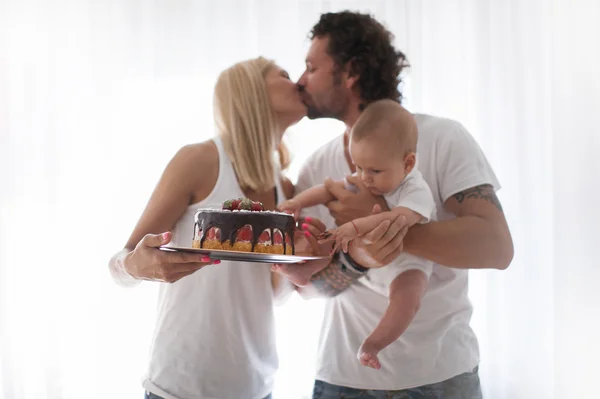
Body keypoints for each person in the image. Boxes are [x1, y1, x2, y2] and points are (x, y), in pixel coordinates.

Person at [274, 11, 514, 398]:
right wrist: (336, 259)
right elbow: (313, 290)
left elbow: (497, 247)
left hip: (441, 378)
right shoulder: (318, 165)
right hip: (342, 378)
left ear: (350, 72)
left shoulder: (441, 138)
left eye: (311, 67)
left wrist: (387, 226)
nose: (301, 80)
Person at [107, 56, 308, 399]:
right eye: (285, 75)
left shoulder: (286, 189)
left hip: (257, 386)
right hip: (181, 386)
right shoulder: (199, 160)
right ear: (252, 90)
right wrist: (137, 265)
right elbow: (120, 264)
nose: (299, 82)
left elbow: (269, 294)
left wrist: (296, 264)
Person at [277, 99, 436, 370]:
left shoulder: (415, 190)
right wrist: (297, 202)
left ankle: (373, 344)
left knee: (409, 295)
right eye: (359, 167)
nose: (365, 178)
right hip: (362, 257)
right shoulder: (366, 177)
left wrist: (355, 225)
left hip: (406, 261)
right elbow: (327, 189)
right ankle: (304, 271)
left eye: (374, 170)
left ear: (407, 164)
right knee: (325, 239)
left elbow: (395, 220)